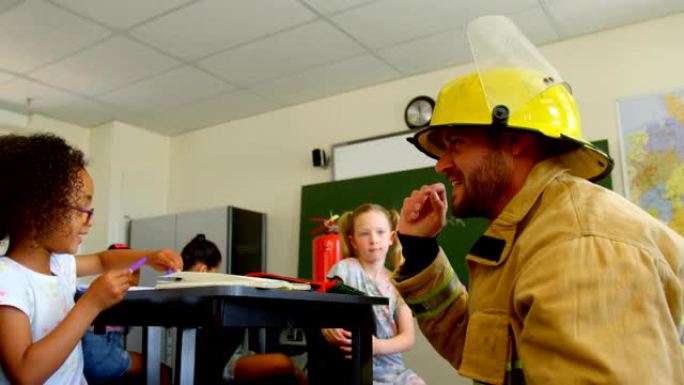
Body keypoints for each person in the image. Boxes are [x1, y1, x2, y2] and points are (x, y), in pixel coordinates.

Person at [392, 15, 684, 385]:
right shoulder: (537, 231)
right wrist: (420, 252)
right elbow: (488, 357)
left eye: (456, 144)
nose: (442, 165)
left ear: (516, 140)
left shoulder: (579, 247)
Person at [0, 133, 183, 384]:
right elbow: (25, 373)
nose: (90, 221)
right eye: (82, 210)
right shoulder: (7, 279)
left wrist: (149, 256)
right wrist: (91, 304)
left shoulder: (59, 265)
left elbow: (102, 260)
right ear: (36, 210)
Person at [322, 203, 425, 385]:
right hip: (355, 369)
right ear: (353, 241)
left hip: (394, 370)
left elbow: (408, 337)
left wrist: (377, 346)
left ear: (392, 237)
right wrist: (327, 323)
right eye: (364, 233)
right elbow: (323, 305)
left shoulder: (398, 284)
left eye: (380, 232)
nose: (373, 240)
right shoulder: (345, 270)